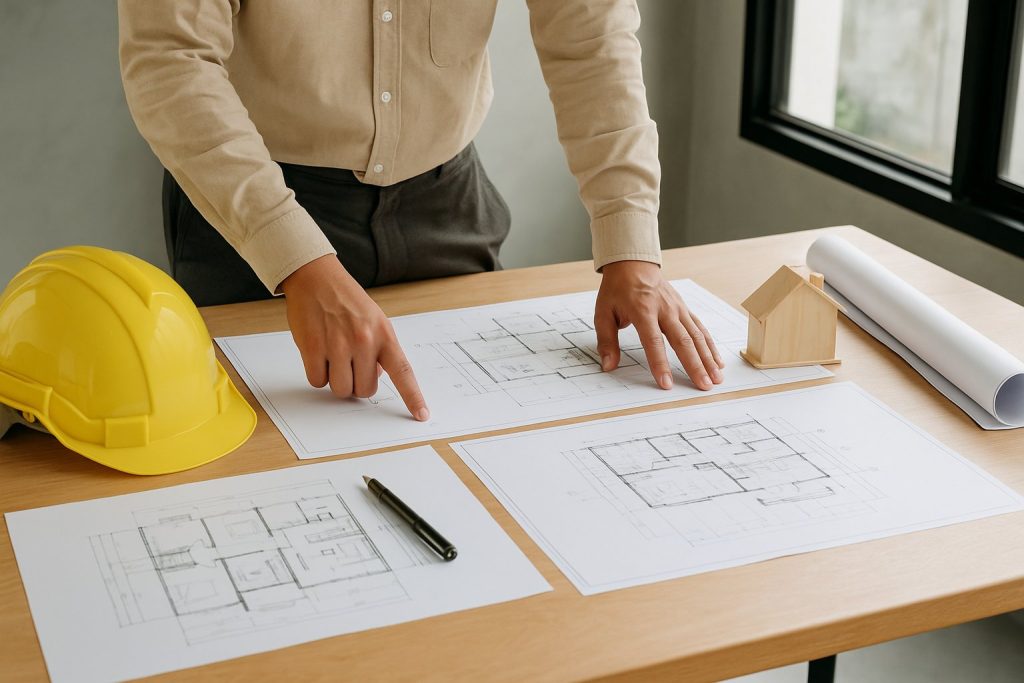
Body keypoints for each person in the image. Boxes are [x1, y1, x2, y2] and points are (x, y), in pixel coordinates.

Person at [117, 1, 725, 423]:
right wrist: (294, 257)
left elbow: (593, 38)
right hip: (255, 217)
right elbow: (171, 61)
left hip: (446, 203)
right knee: (260, 474)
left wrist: (630, 245)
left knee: (462, 449)